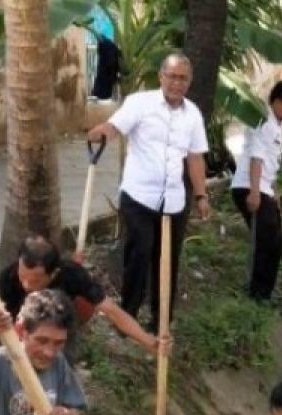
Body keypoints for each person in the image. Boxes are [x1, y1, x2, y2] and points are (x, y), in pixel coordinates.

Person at [85, 53, 212, 332]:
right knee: (140, 252)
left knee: (168, 260)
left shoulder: (192, 114)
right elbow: (116, 127)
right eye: (172, 76)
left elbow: (194, 158)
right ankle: (128, 317)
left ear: (189, 82)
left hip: (174, 200)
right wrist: (100, 132)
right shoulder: (139, 104)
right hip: (139, 195)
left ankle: (161, 319)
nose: (177, 83)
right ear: (161, 77)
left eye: (183, 78)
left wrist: (201, 195)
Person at [0, 234, 169, 356]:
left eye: (36, 280)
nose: (27, 285)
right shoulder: (6, 281)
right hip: (18, 335)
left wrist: (149, 341)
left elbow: (112, 311)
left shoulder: (72, 275)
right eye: (23, 276)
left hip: (59, 331)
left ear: (54, 273)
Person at [231, 80, 282, 302]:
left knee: (274, 241)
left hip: (261, 188)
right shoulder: (265, 123)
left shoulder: (274, 124)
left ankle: (264, 291)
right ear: (277, 101)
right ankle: (258, 294)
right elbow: (257, 158)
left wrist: (273, 192)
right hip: (249, 187)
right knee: (266, 242)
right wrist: (254, 192)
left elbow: (270, 164)